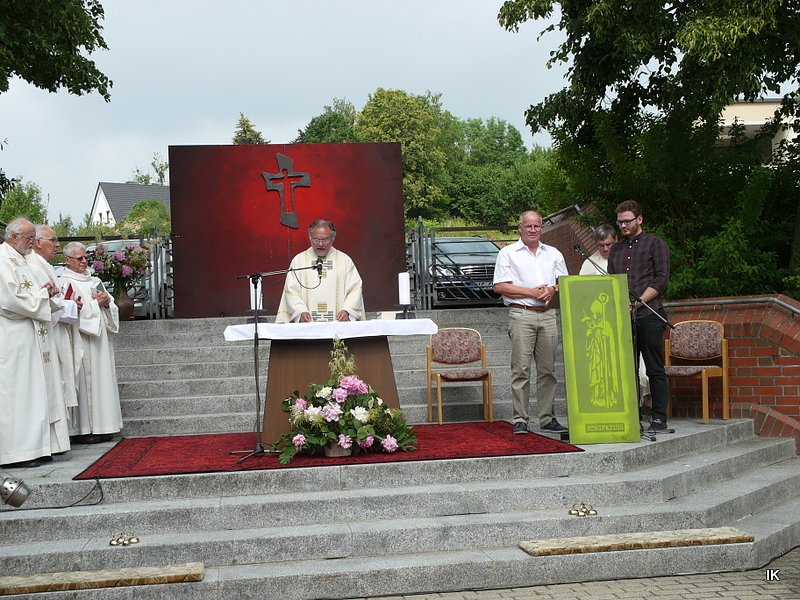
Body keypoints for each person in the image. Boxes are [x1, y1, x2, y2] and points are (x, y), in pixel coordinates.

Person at [493, 210, 569, 434]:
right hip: (521, 314)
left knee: (548, 370)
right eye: (529, 226)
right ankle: (520, 419)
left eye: (537, 226)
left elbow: (563, 281)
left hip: (547, 314)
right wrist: (531, 292)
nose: (533, 230)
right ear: (520, 228)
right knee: (521, 369)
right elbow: (500, 286)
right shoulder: (508, 253)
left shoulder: (553, 253)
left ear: (542, 228)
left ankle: (547, 418)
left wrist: (551, 288)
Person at [607, 200, 671, 432]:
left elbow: (661, 278)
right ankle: (630, 415)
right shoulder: (616, 249)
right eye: (620, 222)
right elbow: (612, 282)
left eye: (627, 221)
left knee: (654, 367)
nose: (623, 225)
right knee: (626, 368)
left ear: (639, 219)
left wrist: (640, 301)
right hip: (624, 318)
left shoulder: (655, 243)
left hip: (649, 314)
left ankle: (659, 417)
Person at [0, 217, 59, 467]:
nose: (32, 243)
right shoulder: (3, 260)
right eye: (29, 238)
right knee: (17, 393)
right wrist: (43, 294)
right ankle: (17, 452)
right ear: (14, 237)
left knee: (33, 391)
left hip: (30, 333)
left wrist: (48, 293)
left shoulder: (23, 260)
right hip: (12, 336)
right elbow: (11, 301)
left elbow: (33, 295)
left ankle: (36, 447)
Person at [579, 224, 651, 406]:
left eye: (609, 244)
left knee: (635, 364)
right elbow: (582, 295)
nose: (605, 249)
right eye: (601, 245)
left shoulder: (626, 257)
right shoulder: (589, 263)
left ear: (616, 240)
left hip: (629, 319)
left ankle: (640, 402)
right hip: (602, 326)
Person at [57, 242, 123, 441]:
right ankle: (86, 429)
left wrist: (107, 304)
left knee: (103, 379)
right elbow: (68, 312)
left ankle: (105, 425)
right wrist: (96, 304)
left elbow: (111, 306)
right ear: (67, 260)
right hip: (82, 340)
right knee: (86, 381)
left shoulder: (94, 280)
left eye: (86, 257)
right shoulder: (64, 282)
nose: (84, 261)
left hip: (101, 340)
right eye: (79, 258)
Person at [28, 225, 76, 455]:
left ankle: (57, 442)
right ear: (37, 242)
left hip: (52, 327)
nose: (56, 245)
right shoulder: (31, 265)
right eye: (53, 240)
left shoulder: (42, 264)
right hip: (44, 330)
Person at [275, 219, 365, 323]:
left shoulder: (345, 261)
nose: (321, 244)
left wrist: (347, 310)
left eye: (325, 240)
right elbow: (291, 291)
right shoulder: (299, 261)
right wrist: (300, 311)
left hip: (339, 325)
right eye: (316, 240)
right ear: (310, 238)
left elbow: (355, 289)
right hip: (307, 327)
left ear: (332, 239)